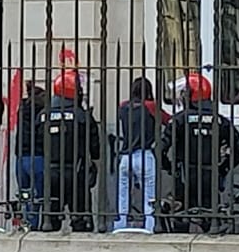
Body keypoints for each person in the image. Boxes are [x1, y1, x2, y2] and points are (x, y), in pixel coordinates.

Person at [161, 72, 239, 231]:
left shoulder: (180, 119)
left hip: (184, 177)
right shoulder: (220, 120)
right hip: (209, 179)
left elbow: (160, 148)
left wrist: (171, 168)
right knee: (210, 223)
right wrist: (223, 168)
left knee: (180, 222)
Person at [39, 71, 103, 232]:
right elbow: (94, 144)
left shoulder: (43, 115)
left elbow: (36, 143)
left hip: (51, 171)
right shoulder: (82, 116)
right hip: (75, 170)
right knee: (80, 217)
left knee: (50, 217)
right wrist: (94, 163)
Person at [112, 77, 163, 232]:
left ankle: (120, 225)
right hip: (144, 154)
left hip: (125, 157)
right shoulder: (150, 106)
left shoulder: (123, 106)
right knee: (149, 196)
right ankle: (150, 226)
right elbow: (169, 120)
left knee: (122, 195)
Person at [13, 81, 49, 229]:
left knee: (25, 194)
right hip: (38, 157)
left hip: (21, 157)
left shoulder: (21, 110)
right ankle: (35, 226)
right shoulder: (42, 113)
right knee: (39, 196)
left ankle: (26, 223)